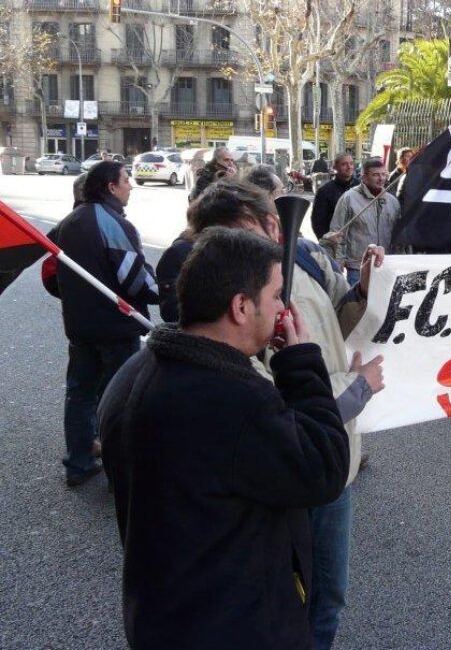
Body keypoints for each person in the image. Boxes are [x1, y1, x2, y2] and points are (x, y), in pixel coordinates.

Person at [98, 228, 351, 649]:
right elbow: (323, 468)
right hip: (236, 623)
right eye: (275, 296)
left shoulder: (135, 371)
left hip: (163, 610)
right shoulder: (234, 398)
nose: (281, 309)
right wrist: (300, 363)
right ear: (240, 306)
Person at [51, 160, 158, 487]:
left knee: (80, 395)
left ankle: (79, 463)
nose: (131, 186)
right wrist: (163, 290)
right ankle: (119, 472)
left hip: (81, 327)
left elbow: (52, 277)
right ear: (111, 186)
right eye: (126, 180)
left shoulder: (68, 222)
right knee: (120, 401)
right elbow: (136, 280)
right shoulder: (113, 224)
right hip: (116, 328)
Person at [330, 157, 400, 284]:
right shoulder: (349, 199)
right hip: (358, 267)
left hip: (385, 265)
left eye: (384, 174)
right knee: (358, 303)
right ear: (364, 177)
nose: (381, 178)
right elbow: (337, 233)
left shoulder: (393, 202)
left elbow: (397, 234)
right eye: (375, 175)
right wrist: (338, 264)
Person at [311, 153, 357, 244]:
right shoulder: (324, 191)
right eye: (344, 164)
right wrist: (327, 240)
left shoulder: (361, 186)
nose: (349, 167)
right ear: (335, 167)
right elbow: (318, 221)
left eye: (351, 163)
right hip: (336, 243)